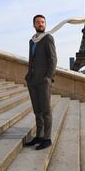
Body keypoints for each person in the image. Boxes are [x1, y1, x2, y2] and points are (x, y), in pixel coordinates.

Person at [24, 14, 57, 150]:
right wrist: (28, 76)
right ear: (34, 25)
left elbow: (53, 60)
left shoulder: (48, 38)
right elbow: (32, 60)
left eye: (43, 22)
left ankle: (47, 138)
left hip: (43, 81)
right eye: (38, 22)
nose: (41, 24)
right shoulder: (32, 41)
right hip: (32, 80)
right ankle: (39, 135)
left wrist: (48, 77)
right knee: (37, 110)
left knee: (46, 110)